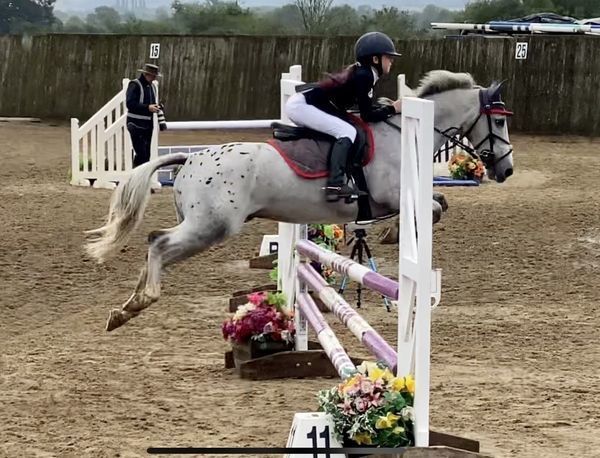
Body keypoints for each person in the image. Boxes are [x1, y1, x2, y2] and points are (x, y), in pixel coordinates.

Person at [285, 32, 403, 202]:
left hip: (307, 104)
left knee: (348, 128)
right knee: (347, 131)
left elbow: (364, 109)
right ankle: (335, 185)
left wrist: (387, 108)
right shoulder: (365, 75)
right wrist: (393, 108)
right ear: (375, 59)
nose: (391, 61)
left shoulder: (365, 73)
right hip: (302, 106)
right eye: (388, 57)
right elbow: (367, 115)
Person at [126, 63, 165, 168]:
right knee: (141, 154)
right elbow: (130, 104)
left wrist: (157, 107)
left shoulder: (152, 87)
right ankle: (136, 175)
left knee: (146, 156)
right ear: (147, 74)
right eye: (153, 75)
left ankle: (139, 175)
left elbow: (151, 103)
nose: (154, 78)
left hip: (147, 125)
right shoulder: (134, 85)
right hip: (135, 124)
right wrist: (147, 107)